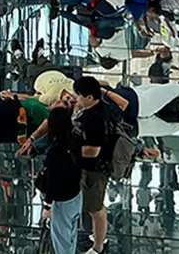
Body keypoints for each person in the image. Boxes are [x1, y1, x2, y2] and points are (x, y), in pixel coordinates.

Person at [72, 76, 114, 254]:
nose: (76, 98)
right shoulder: (100, 108)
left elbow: (93, 150)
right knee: (93, 207)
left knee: (96, 209)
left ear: (90, 97)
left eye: (79, 95)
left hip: (93, 171)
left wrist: (71, 150)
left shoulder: (95, 119)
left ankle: (98, 247)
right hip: (91, 169)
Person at [36, 104, 84, 254]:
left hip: (61, 202)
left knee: (62, 241)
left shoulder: (55, 153)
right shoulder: (76, 142)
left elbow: (52, 183)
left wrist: (47, 207)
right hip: (75, 196)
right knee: (70, 235)